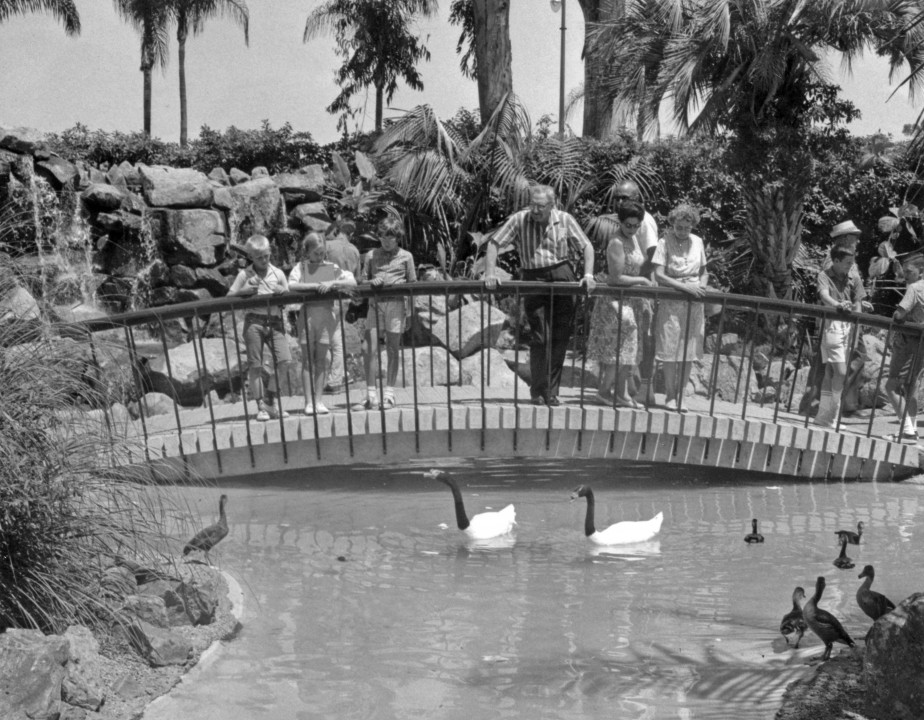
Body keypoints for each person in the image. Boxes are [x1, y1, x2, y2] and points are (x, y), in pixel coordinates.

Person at [484, 184, 597, 406]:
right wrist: (489, 273)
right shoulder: (519, 219)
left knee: (560, 337)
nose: (535, 210)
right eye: (532, 205)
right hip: (533, 277)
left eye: (541, 206)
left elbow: (586, 246)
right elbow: (494, 243)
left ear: (552, 205)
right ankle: (537, 391)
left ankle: (552, 392)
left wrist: (588, 275)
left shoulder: (564, 219)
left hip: (563, 275)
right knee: (539, 337)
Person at [586, 201, 655, 407]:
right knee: (619, 351)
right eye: (628, 225)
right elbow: (615, 277)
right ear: (621, 222)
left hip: (630, 302)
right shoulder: (616, 242)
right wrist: (642, 281)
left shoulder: (633, 240)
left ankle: (621, 393)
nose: (632, 229)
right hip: (616, 303)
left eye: (636, 225)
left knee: (630, 350)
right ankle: (604, 391)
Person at [288, 232, 357, 415]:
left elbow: (352, 281)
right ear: (308, 252)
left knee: (322, 360)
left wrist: (332, 283)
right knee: (307, 360)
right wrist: (314, 286)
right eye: (317, 253)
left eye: (322, 253)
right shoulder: (300, 268)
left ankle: (319, 401)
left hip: (326, 317)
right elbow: (291, 285)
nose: (320, 257)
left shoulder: (331, 267)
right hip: (308, 317)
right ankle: (308, 402)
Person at [227, 234, 292, 422]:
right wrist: (243, 292)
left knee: (284, 361)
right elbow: (228, 297)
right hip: (254, 322)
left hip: (275, 321)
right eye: (259, 257)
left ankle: (270, 399)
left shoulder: (278, 273)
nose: (263, 260)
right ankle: (261, 407)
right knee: (255, 365)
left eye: (266, 256)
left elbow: (288, 296)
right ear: (251, 257)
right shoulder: (244, 275)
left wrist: (283, 293)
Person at [651, 203, 709, 411]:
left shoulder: (698, 242)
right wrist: (685, 287)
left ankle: (682, 395)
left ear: (693, 225)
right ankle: (669, 394)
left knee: (687, 350)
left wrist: (700, 286)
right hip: (672, 299)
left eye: (687, 227)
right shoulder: (664, 242)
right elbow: (659, 274)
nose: (683, 231)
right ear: (672, 223)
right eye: (679, 227)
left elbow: (704, 272)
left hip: (693, 302)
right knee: (670, 349)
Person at [357, 216, 417, 410]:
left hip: (396, 305)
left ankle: (389, 393)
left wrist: (410, 314)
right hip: (375, 304)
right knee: (368, 348)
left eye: (391, 237)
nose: (387, 241)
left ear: (397, 237)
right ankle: (371, 394)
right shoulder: (371, 255)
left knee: (393, 348)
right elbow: (361, 281)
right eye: (383, 237)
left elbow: (413, 285)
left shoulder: (406, 256)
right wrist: (371, 283)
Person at [610, 180, 659, 402]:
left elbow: (652, 253)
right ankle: (625, 390)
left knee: (643, 339)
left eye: (625, 197)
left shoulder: (643, 220)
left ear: (637, 198)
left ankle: (642, 390)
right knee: (627, 340)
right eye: (617, 197)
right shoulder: (622, 221)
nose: (620, 201)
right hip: (630, 287)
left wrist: (645, 282)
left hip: (642, 288)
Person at [815, 245, 866, 428]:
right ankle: (833, 415)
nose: (850, 266)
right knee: (841, 372)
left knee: (831, 372)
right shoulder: (824, 275)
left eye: (852, 263)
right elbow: (823, 295)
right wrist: (838, 305)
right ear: (836, 261)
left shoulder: (854, 278)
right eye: (847, 263)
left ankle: (822, 416)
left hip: (849, 327)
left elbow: (858, 303)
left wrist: (857, 329)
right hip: (832, 325)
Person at [884, 252, 924, 442]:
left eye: (909, 271)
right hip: (922, 346)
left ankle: (906, 430)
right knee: (912, 386)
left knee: (891, 385)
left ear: (921, 270)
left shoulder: (915, 289)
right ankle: (912, 428)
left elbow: (899, 315)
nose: (905, 275)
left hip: (908, 343)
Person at [322, 221, 362, 391]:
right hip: (345, 297)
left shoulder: (326, 246)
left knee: (322, 338)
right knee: (336, 337)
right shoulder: (354, 250)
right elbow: (358, 279)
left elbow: (315, 270)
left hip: (327, 296)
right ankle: (337, 377)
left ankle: (330, 377)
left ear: (336, 231)